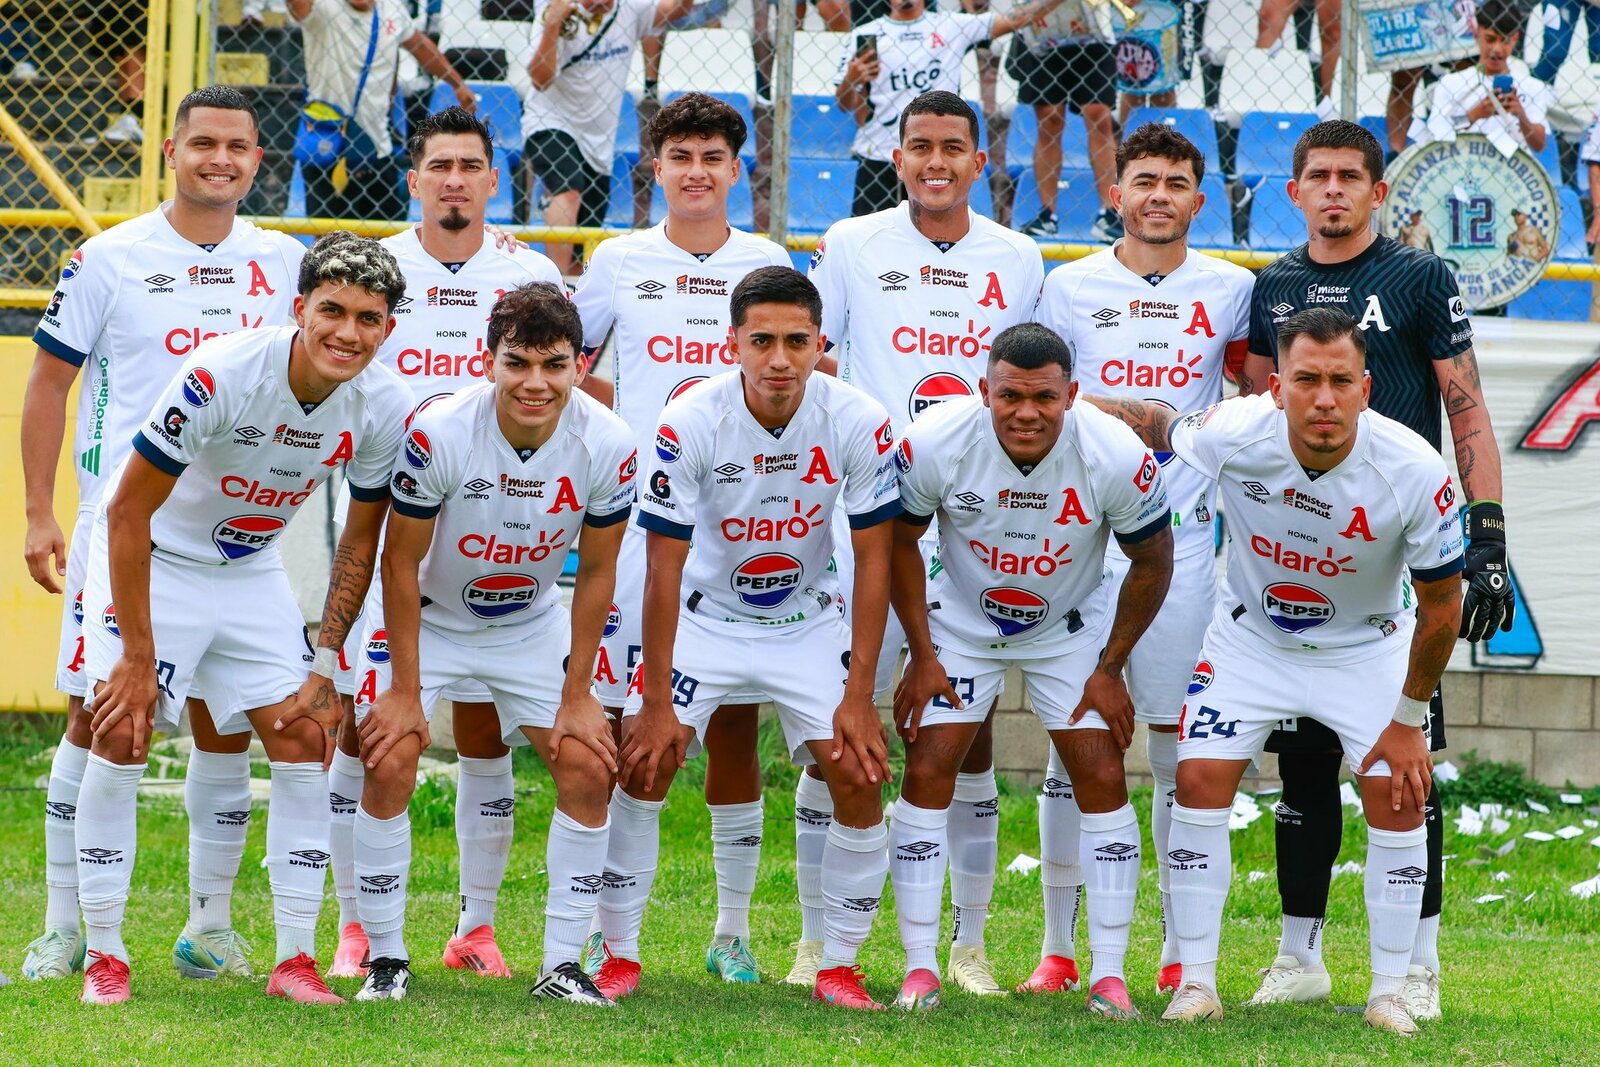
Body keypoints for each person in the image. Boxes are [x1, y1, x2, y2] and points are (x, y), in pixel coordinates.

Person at [1091, 307, 1465, 1036]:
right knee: (1197, 779)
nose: (1323, 399)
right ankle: (1196, 983)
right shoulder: (1234, 431)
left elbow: (1443, 607)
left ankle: (1392, 991)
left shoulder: (1415, 469)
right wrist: (1072, 404)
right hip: (1251, 641)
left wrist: (1408, 718)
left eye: (1340, 382)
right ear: (1275, 388)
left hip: (1367, 647)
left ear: (1366, 389)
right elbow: (1158, 424)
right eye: (1305, 380)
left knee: (1396, 793)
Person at [72, 232, 413, 1004]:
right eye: (331, 310)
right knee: (121, 729)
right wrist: (137, 658)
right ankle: (105, 954)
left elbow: (359, 540)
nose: (347, 332)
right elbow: (126, 513)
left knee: (304, 733)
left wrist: (326, 662)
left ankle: (294, 960)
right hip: (154, 556)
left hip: (248, 565)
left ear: (388, 328)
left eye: (368, 318)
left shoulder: (384, 404)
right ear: (299, 308)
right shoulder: (222, 372)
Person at [20, 86, 306, 986]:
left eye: (237, 147)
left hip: (236, 541)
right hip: (125, 531)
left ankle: (209, 928)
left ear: (257, 161)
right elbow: (48, 386)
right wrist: (39, 511)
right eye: (203, 144)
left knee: (228, 726)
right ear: (170, 152)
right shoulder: (108, 258)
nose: (220, 159)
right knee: (99, 716)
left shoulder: (286, 262)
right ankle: (65, 928)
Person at [1238, 119, 1512, 1024]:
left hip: (1397, 555)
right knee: (1303, 763)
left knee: (1403, 767)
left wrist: (1487, 533)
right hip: (1302, 554)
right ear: (1294, 191)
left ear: (1378, 191)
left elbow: (1465, 407)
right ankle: (1299, 954)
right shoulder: (1273, 285)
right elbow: (1252, 412)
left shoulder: (1421, 276)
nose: (1334, 189)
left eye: (1350, 176)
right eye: (1317, 175)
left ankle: (1419, 964)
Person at [806, 90, 1043, 997]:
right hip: (868, 509)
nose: (936, 162)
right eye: (920, 147)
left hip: (973, 513)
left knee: (964, 730)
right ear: (896, 157)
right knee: (836, 719)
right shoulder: (851, 242)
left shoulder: (1017, 255)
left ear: (981, 161)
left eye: (953, 147)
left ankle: (968, 946)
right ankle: (818, 941)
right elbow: (817, 357)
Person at [618, 266, 903, 1011]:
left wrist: (860, 695)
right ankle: (614, 951)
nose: (780, 359)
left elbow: (875, 557)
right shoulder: (690, 419)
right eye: (763, 341)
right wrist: (653, 699)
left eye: (797, 342)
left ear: (820, 343)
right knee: (644, 765)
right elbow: (662, 565)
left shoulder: (859, 418)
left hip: (804, 619)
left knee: (858, 772)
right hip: (705, 617)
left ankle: (839, 966)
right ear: (732, 344)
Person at [324, 105, 564, 981]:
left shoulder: (531, 272)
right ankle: (356, 924)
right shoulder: (374, 267)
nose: (454, 180)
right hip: (383, 515)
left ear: (494, 180)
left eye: (470, 166)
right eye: (439, 166)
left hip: (493, 526)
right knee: (362, 726)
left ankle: (477, 925)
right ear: (414, 178)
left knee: (487, 726)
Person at [349, 282, 635, 1005]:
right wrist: (405, 691)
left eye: (555, 364)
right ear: (488, 362)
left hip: (528, 622)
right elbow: (399, 562)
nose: (536, 382)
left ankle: (561, 966)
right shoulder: (440, 431)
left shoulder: (608, 440)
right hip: (430, 617)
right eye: (518, 363)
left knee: (588, 766)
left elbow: (598, 572)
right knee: (390, 756)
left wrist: (579, 695)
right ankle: (386, 958)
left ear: (580, 365)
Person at [571, 91, 791, 996]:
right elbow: (568, 365)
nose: (696, 172)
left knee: (732, 725)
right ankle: (605, 936)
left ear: (738, 170)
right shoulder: (618, 260)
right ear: (653, 169)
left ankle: (731, 933)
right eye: (680, 157)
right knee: (630, 725)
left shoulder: (767, 260)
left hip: (747, 520)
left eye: (712, 157)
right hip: (642, 524)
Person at [888, 323, 1173, 1016]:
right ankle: (921, 968)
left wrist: (1111, 666)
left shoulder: (1115, 453)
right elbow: (898, 542)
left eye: (1044, 397)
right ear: (984, 390)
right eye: (1009, 395)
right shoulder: (936, 441)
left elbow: (1154, 558)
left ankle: (1108, 976)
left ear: (1071, 395)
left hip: (1067, 629)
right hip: (961, 622)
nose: (1025, 412)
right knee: (929, 765)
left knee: (1101, 772)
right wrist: (922, 653)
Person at [1033, 121, 1253, 999]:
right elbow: (1044, 399)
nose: (1159, 195)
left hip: (1180, 542)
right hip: (1081, 540)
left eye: (1176, 183)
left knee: (1173, 745)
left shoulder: (1233, 289)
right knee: (1071, 746)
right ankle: (1058, 948)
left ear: (1200, 200)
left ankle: (1173, 942)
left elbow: (1250, 403)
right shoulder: (1067, 285)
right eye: (1144, 180)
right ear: (1115, 192)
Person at [834, 0, 1069, 217]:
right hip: (879, 155)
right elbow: (845, 104)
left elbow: (1017, 19)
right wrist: (850, 80)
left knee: (937, 239)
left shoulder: (951, 25)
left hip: (936, 157)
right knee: (872, 241)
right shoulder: (865, 34)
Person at [522, 0, 695, 275]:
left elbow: (678, 10)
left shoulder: (630, 8)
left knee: (585, 230)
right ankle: (554, 283)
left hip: (599, 138)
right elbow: (539, 79)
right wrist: (552, 26)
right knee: (568, 189)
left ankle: (572, 289)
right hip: (549, 120)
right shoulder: (555, 9)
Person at [287, 0, 475, 221]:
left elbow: (421, 47)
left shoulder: (392, 9)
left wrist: (457, 84)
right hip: (328, 143)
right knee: (326, 235)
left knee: (384, 234)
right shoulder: (322, 6)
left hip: (377, 146)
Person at [1008, 0, 1121, 240]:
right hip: (1041, 31)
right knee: (1049, 120)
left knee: (1099, 116)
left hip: (1094, 33)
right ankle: (1047, 215)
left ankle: (1110, 213)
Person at [1412, 0, 1551, 160]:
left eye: (1505, 41)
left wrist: (1521, 115)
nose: (1497, 49)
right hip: (1462, 163)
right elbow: (1433, 134)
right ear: (1476, 33)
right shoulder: (1451, 83)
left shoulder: (1532, 87)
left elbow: (1539, 145)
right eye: (1490, 39)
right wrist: (1473, 115)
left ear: (1515, 38)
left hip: (1511, 168)